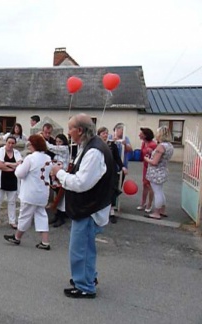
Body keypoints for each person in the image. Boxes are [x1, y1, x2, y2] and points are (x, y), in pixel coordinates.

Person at [51, 114, 115, 299]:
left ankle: (85, 286)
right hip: (90, 207)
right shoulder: (90, 146)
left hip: (90, 209)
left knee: (80, 248)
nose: (68, 132)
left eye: (70, 128)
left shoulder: (94, 151)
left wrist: (60, 173)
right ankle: (87, 278)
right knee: (85, 247)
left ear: (79, 130)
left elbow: (81, 183)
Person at [3, 134, 52, 250]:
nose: (29, 146)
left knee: (24, 215)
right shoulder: (47, 158)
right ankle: (45, 242)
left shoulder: (30, 158)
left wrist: (19, 166)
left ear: (34, 145)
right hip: (43, 192)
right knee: (41, 215)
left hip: (31, 192)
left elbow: (19, 174)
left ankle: (17, 237)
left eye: (30, 144)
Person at [0, 136, 23, 231]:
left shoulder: (16, 153)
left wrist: (7, 163)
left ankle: (12, 221)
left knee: (12, 202)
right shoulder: (0, 151)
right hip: (2, 180)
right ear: (6, 142)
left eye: (13, 143)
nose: (10, 145)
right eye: (9, 143)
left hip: (13, 181)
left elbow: (20, 165)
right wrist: (12, 167)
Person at [97, 127, 128, 224]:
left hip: (111, 170)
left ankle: (111, 211)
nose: (105, 135)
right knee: (99, 190)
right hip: (99, 171)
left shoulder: (112, 145)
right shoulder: (96, 145)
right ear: (99, 135)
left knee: (112, 190)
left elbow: (117, 157)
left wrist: (122, 166)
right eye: (103, 133)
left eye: (106, 133)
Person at [144, 126, 174, 220]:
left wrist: (146, 159)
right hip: (163, 170)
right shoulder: (169, 145)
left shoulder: (161, 146)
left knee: (157, 192)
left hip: (156, 172)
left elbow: (154, 162)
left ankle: (156, 212)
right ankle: (162, 210)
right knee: (160, 191)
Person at [50, 134, 70, 228]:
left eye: (60, 142)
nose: (58, 144)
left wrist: (42, 140)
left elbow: (50, 147)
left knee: (61, 197)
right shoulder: (58, 152)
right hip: (56, 175)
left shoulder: (64, 148)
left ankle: (61, 217)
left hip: (62, 175)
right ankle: (57, 215)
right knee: (57, 196)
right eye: (56, 142)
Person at [137, 127, 157, 213]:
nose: (139, 134)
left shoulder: (153, 144)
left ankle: (149, 204)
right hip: (145, 166)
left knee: (150, 186)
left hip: (152, 167)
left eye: (141, 133)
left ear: (145, 135)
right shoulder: (143, 143)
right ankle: (143, 203)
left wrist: (152, 152)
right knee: (145, 185)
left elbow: (157, 156)